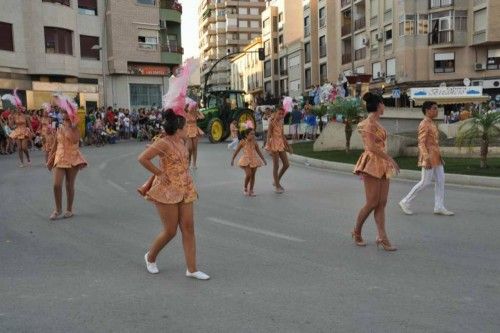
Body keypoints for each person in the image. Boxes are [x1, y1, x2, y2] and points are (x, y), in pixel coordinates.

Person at [138, 109, 209, 280]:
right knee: (170, 231)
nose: (188, 129)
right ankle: (150, 257)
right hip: (167, 190)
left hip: (185, 187)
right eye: (185, 127)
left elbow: (188, 151)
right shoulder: (164, 143)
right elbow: (143, 158)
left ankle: (192, 269)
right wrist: (159, 173)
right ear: (178, 129)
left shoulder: (182, 141)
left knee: (188, 228)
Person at [352, 92, 400, 251]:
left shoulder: (377, 123)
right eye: (383, 104)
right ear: (379, 105)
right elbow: (371, 147)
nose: (384, 106)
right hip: (371, 163)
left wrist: (387, 160)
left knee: (382, 203)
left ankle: (382, 237)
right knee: (372, 202)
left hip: (382, 164)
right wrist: (390, 159)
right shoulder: (368, 124)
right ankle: (356, 231)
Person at [399, 101, 454, 216]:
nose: (437, 111)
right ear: (427, 110)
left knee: (441, 181)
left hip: (436, 157)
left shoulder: (432, 123)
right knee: (425, 182)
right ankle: (405, 201)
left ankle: (439, 206)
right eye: (434, 108)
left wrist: (437, 156)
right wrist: (426, 158)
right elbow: (421, 143)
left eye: (436, 108)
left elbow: (434, 143)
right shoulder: (424, 124)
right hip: (428, 156)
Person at [47, 96, 87, 220]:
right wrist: (50, 158)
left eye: (65, 112)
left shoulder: (75, 127)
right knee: (56, 185)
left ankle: (69, 209)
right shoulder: (58, 126)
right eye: (62, 111)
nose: (63, 114)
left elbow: (75, 140)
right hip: (59, 157)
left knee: (69, 185)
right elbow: (55, 144)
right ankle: (58, 209)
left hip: (72, 157)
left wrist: (72, 126)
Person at [231, 125, 267, 196]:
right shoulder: (242, 142)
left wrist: (263, 159)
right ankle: (245, 187)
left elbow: (259, 152)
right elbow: (236, 151)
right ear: (246, 135)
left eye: (254, 134)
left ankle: (251, 190)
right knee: (248, 174)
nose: (253, 135)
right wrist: (232, 159)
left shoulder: (255, 142)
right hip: (246, 160)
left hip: (254, 159)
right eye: (251, 134)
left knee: (253, 175)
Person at [265, 107, 292, 193]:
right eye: (279, 113)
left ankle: (276, 181)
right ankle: (277, 186)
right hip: (273, 145)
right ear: (275, 113)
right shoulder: (271, 122)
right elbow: (268, 134)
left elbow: (282, 135)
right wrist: (268, 146)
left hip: (280, 144)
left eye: (282, 114)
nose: (281, 115)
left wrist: (288, 146)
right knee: (276, 166)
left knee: (286, 164)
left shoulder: (281, 122)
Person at [4, 93, 33, 167]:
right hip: (17, 131)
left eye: (19, 108)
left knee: (24, 148)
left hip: (24, 131)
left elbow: (29, 125)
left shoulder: (26, 116)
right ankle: (22, 162)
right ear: (16, 109)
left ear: (21, 109)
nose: (18, 110)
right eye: (17, 108)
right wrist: (10, 119)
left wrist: (32, 132)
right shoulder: (13, 116)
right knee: (19, 148)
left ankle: (28, 158)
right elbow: (11, 126)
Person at [185, 102, 205, 169]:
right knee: (189, 148)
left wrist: (198, 110)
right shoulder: (186, 113)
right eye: (193, 107)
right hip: (188, 130)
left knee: (195, 148)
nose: (193, 108)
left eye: (194, 107)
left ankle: (194, 164)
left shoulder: (195, 113)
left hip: (195, 130)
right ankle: (189, 161)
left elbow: (202, 117)